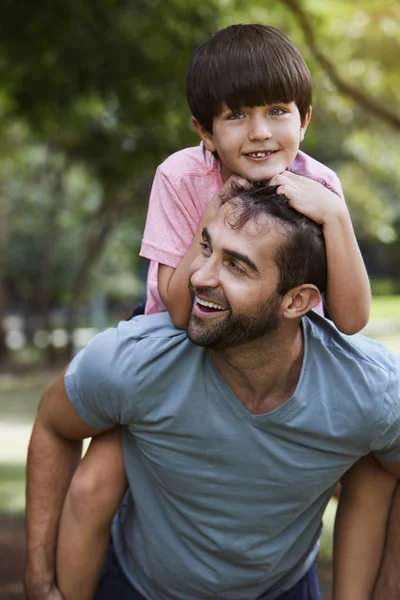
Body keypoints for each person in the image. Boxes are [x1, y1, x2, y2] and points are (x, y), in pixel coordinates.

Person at [54, 23, 378, 599]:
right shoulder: (182, 176)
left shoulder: (318, 182)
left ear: (305, 118)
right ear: (204, 130)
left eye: (278, 111)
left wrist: (335, 218)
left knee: (357, 460)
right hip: (174, 336)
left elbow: (349, 320)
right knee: (96, 482)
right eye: (235, 116)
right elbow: (178, 311)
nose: (260, 132)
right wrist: (216, 210)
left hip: (269, 337)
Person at [25, 186, 400, 600]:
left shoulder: (369, 389)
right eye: (206, 248)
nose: (199, 277)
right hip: (138, 587)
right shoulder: (131, 362)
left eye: (236, 267)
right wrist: (39, 578)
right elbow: (53, 425)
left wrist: (389, 586)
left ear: (296, 301)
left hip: (283, 588)